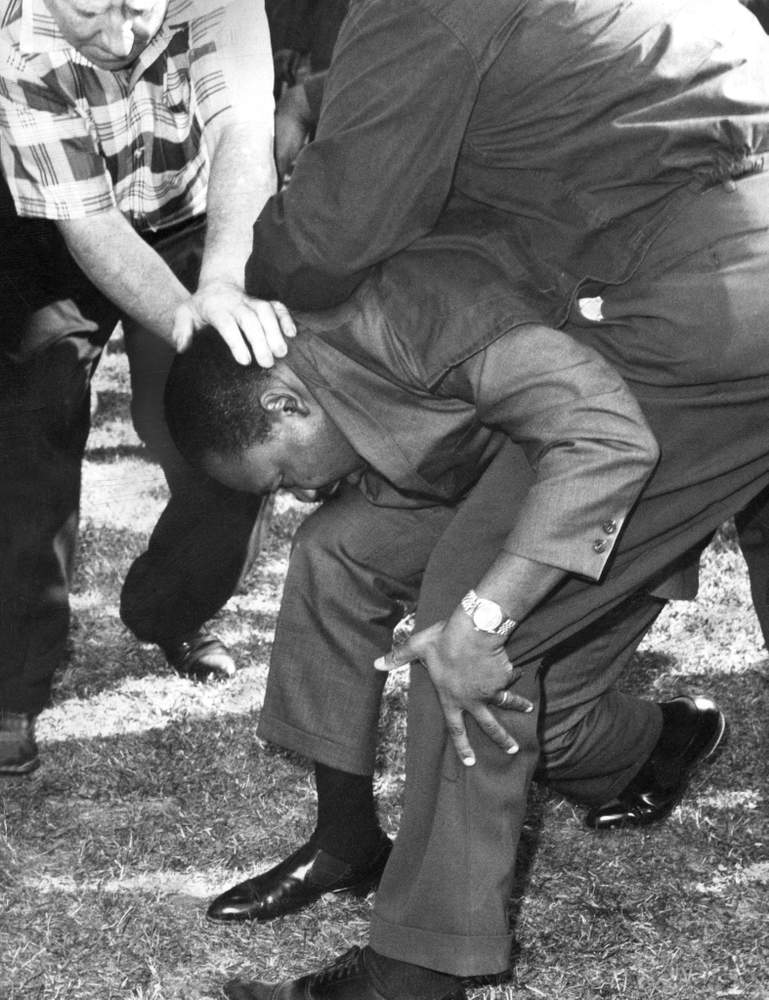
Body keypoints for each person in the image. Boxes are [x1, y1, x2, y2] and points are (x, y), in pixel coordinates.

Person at [174, 0, 769, 994]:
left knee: (468, 622)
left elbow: (332, 231)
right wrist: (318, 100)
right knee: (347, 548)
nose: (290, 496)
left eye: (278, 474)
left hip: (699, 293)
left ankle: (415, 974)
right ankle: (360, 834)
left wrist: (244, 284)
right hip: (676, 264)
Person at [0, 0, 292, 775]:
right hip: (53, 227)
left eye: (139, 7)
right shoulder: (15, 40)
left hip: (200, 207)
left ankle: (178, 608)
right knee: (34, 428)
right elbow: (90, 224)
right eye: (91, 12)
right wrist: (191, 322)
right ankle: (12, 681)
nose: (122, 35)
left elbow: (240, 134)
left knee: (231, 421)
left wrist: (223, 289)